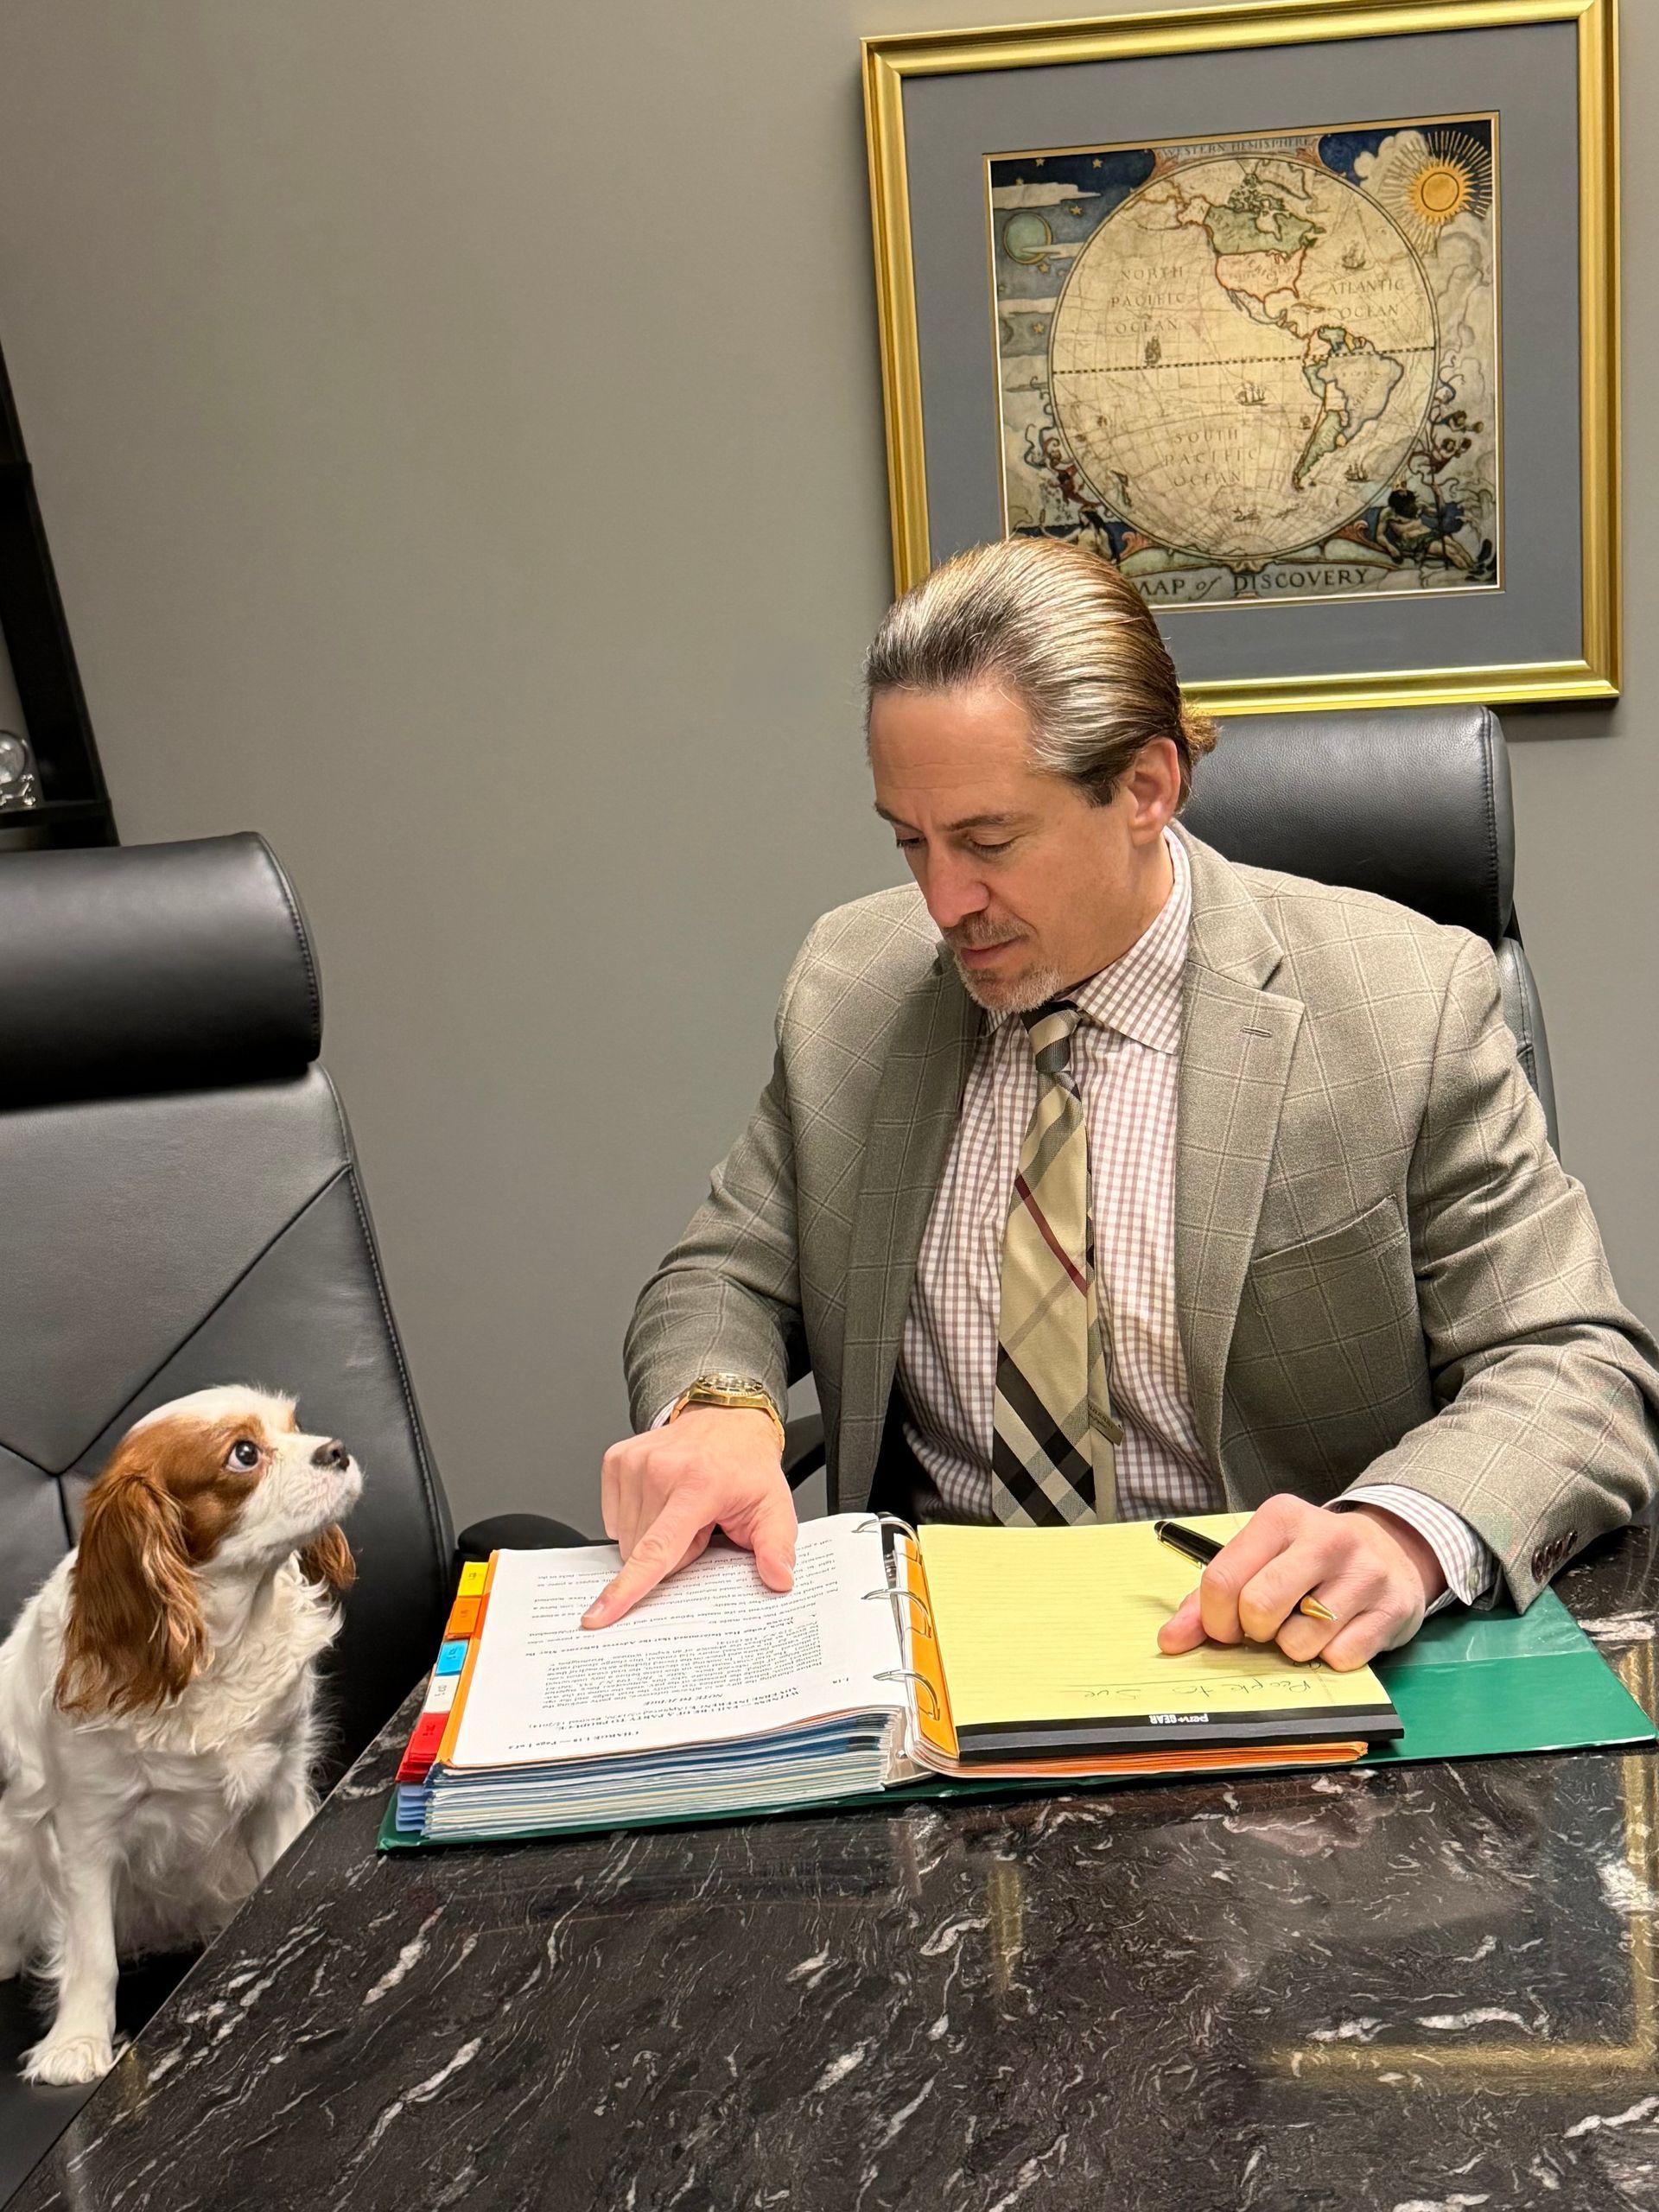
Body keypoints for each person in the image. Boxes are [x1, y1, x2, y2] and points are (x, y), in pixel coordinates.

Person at [585, 536, 1659, 1669]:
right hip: (937, 1659)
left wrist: (1396, 1534)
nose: (946, 901)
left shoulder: (1403, 1004)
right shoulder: (852, 988)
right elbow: (722, 1277)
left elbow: (1573, 1363)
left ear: (1147, 787)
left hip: (1262, 1649)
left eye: (989, 842)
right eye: (912, 841)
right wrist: (720, 1407)